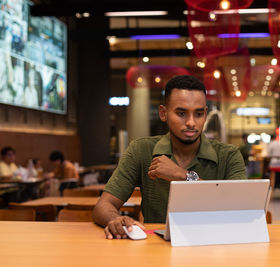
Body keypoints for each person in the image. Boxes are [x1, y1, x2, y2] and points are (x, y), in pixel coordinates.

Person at [93, 75, 247, 239]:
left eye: (199, 114)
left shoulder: (228, 155)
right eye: (181, 113)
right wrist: (115, 219)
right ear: (163, 113)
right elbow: (104, 205)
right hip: (157, 249)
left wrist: (183, 176)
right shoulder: (141, 150)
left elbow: (241, 209)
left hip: (216, 247)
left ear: (206, 114)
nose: (191, 122)